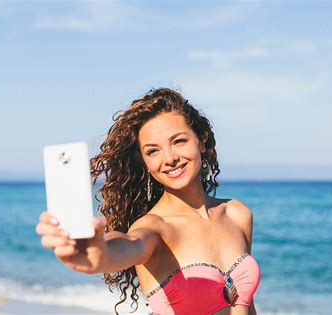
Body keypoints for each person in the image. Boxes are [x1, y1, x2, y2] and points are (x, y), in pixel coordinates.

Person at [36, 88, 260, 315]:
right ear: (144, 162)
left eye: (179, 141)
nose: (170, 158)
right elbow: (129, 244)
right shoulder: (155, 228)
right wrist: (100, 255)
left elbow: (246, 305)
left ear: (201, 141)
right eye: (153, 151)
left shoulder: (237, 213)